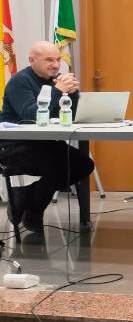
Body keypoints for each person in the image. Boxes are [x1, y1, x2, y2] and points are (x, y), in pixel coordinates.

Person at [0, 41, 95, 235]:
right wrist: (58, 91)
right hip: (13, 146)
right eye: (49, 60)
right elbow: (32, 116)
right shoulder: (20, 82)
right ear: (32, 60)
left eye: (58, 59)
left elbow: (69, 115)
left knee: (84, 164)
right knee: (59, 165)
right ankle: (34, 212)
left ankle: (26, 196)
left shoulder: (55, 81)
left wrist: (72, 94)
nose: (56, 65)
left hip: (43, 143)